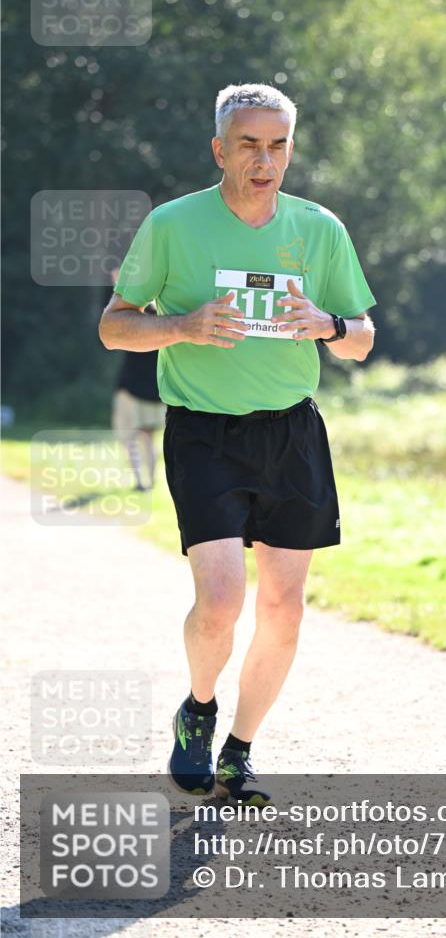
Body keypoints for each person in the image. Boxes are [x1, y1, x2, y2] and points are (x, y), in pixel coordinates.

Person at [98, 83, 376, 805]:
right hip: (204, 431)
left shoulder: (319, 229)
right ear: (220, 149)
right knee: (221, 601)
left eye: (277, 145)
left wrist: (327, 325)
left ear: (291, 149)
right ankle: (198, 708)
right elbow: (115, 325)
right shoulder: (172, 224)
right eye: (249, 144)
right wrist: (182, 326)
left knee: (284, 608)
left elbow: (362, 338)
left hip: (292, 432)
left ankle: (240, 751)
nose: (264, 160)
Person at [110, 269, 166, 491]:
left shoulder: (135, 317)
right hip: (154, 389)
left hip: (132, 388)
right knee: (147, 437)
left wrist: (120, 287)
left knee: (130, 438)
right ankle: (148, 481)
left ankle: (140, 481)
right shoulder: (165, 319)